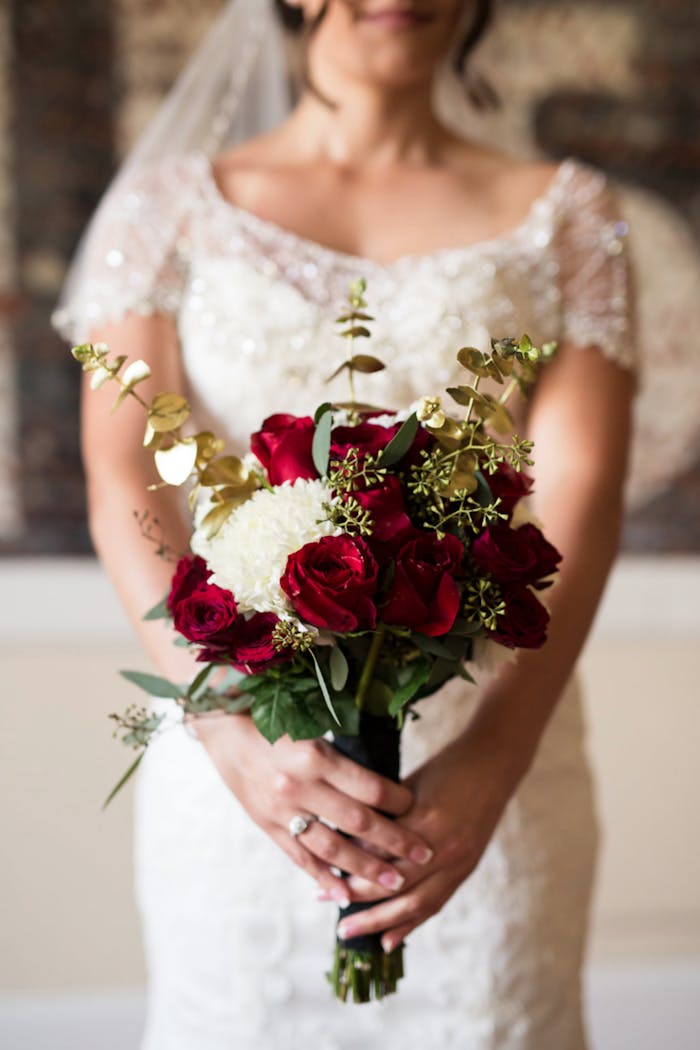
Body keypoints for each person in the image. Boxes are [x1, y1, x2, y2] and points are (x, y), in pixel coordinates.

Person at [54, 1, 638, 1047]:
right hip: (248, 764)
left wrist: (492, 764)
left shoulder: (571, 216)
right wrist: (229, 729)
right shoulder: (167, 210)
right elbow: (126, 481)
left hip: (491, 756)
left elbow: (575, 511)